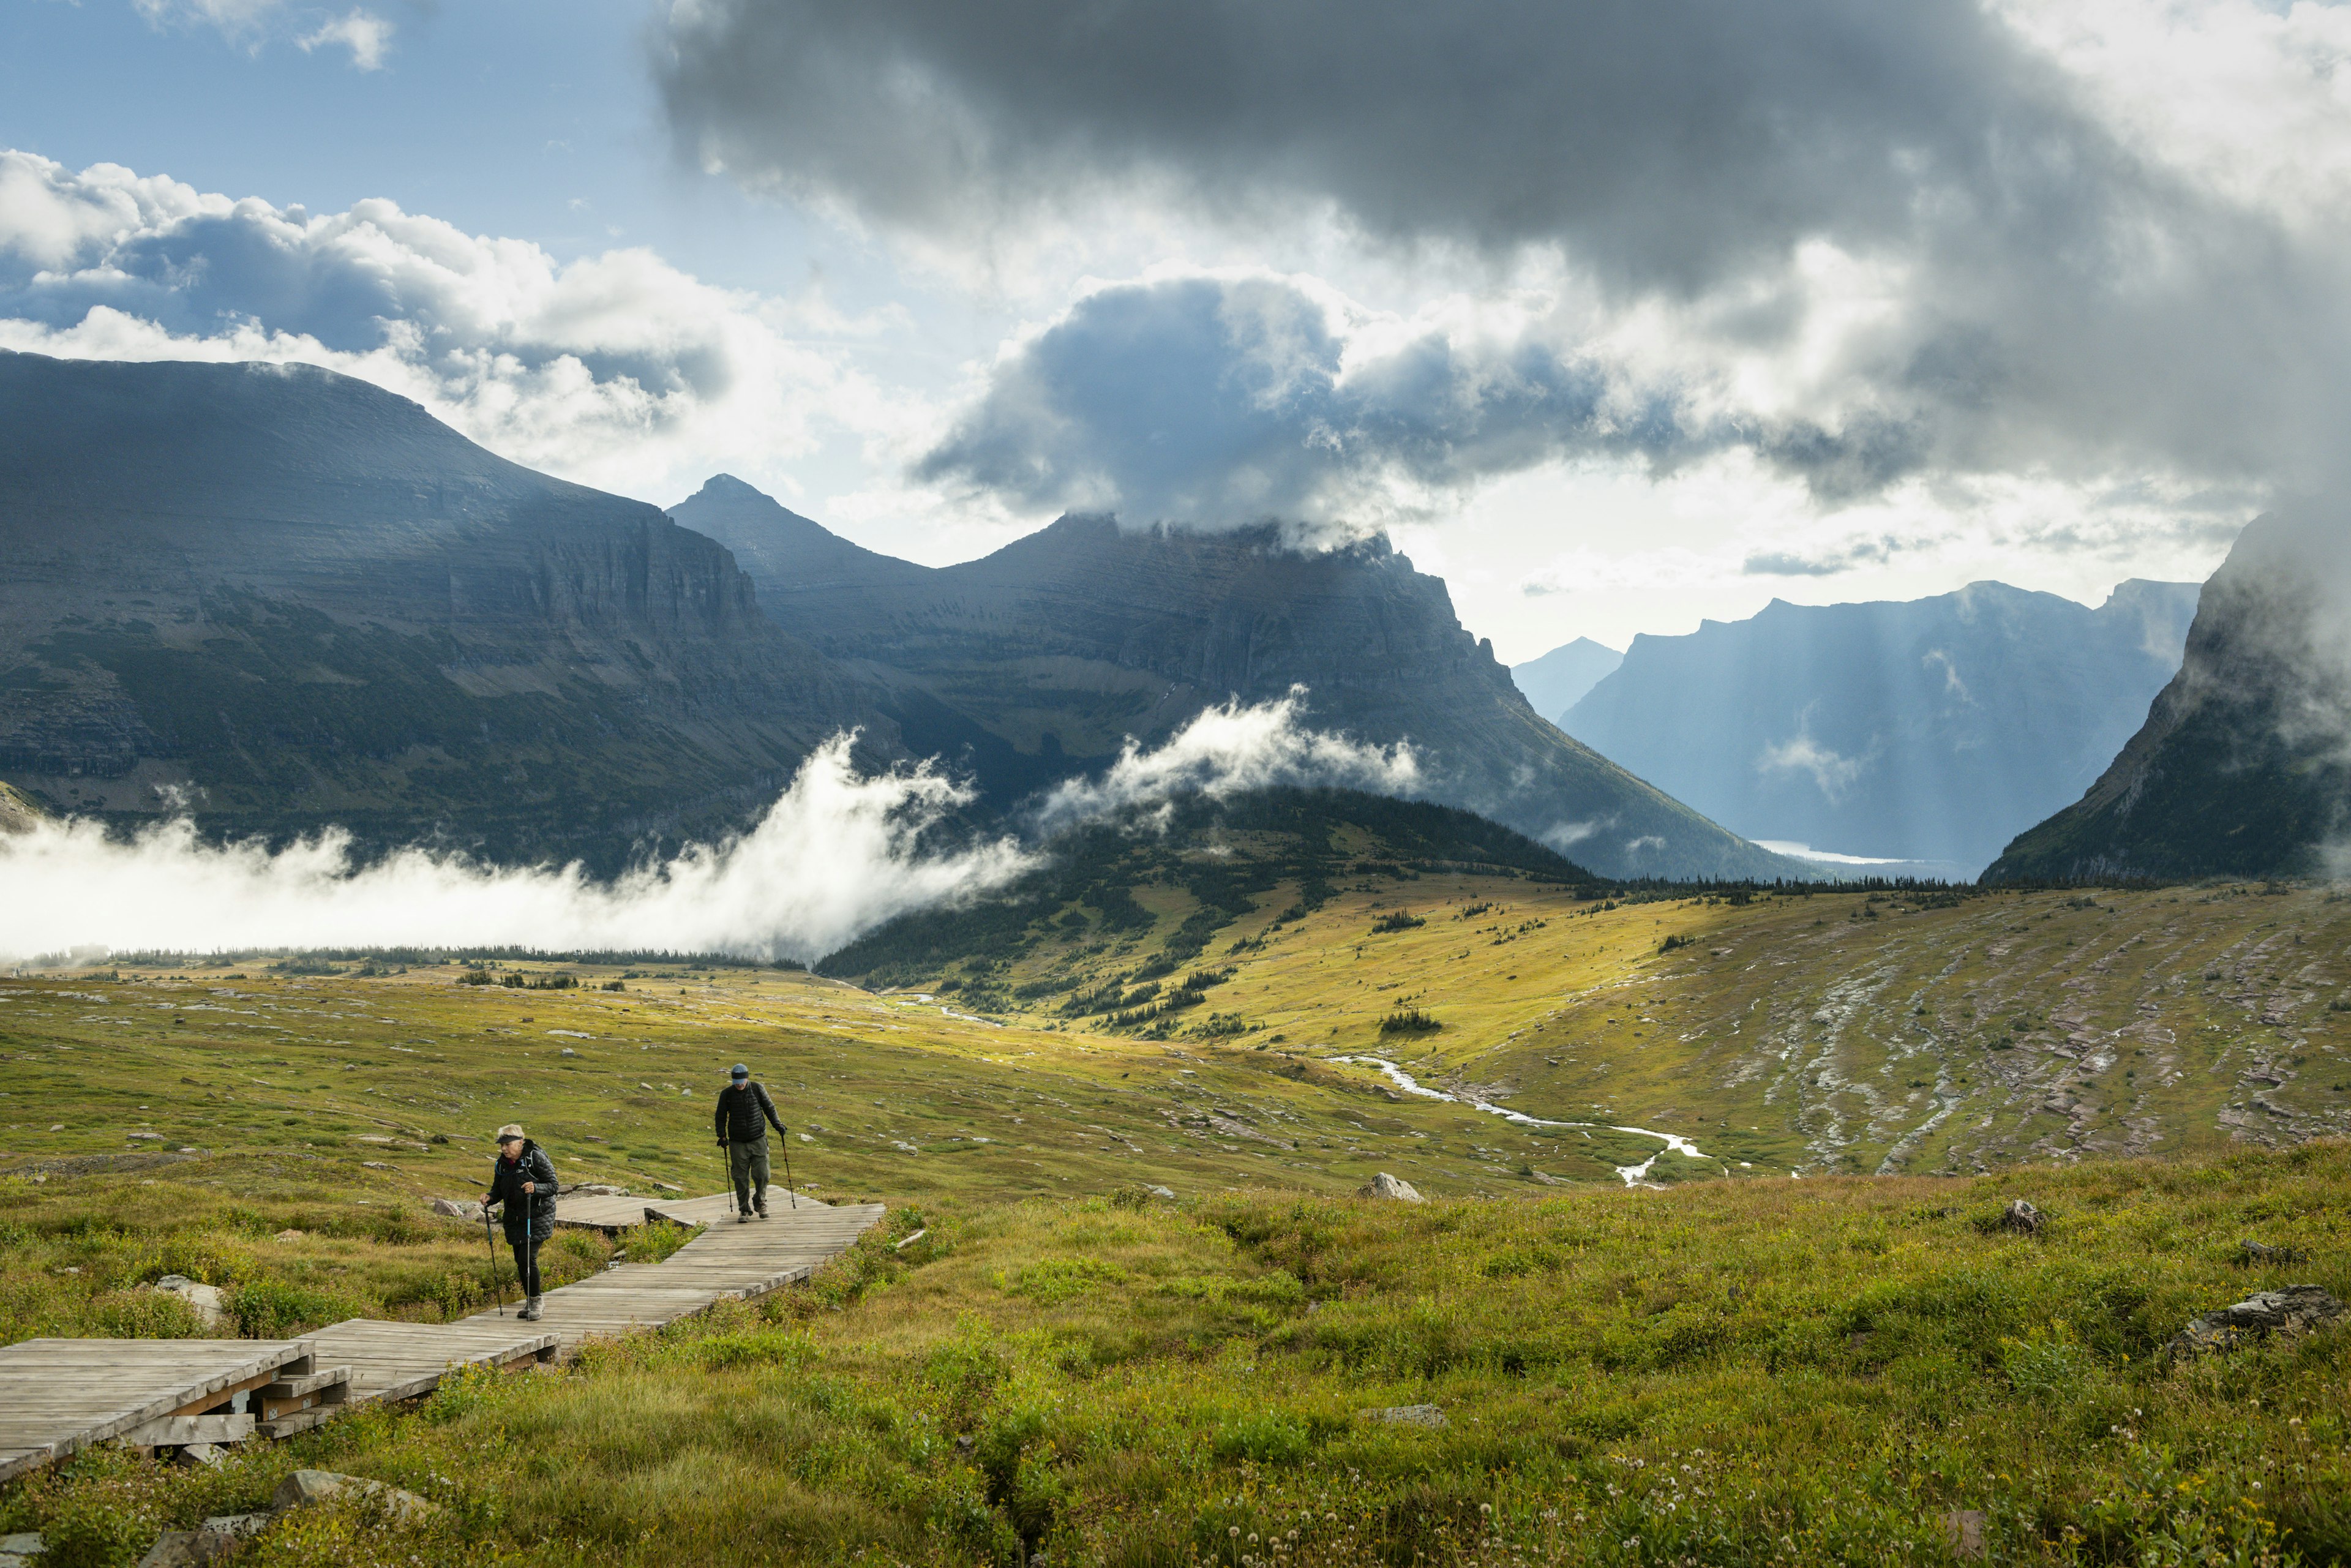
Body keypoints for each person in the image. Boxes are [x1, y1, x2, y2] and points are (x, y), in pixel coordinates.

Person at [482, 1123, 559, 1319]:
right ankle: (531, 1300)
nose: (504, 1149)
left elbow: (553, 1185)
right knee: (520, 1261)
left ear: (520, 1142)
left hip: (538, 1216)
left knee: (527, 1258)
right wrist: (489, 1198)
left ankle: (536, 1302)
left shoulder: (535, 1157)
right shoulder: (501, 1165)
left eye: (508, 1144)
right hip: (515, 1219)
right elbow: (498, 1190)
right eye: (502, 1145)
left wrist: (536, 1188)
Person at [714, 1063, 787, 1222]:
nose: (739, 1085)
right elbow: (720, 1116)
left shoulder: (757, 1088)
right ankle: (744, 1210)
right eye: (736, 1082)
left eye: (741, 1081)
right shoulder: (727, 1094)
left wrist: (778, 1125)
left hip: (758, 1138)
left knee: (763, 1174)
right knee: (740, 1178)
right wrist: (722, 1135)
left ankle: (760, 1203)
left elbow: (769, 1108)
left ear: (747, 1078)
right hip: (737, 1142)